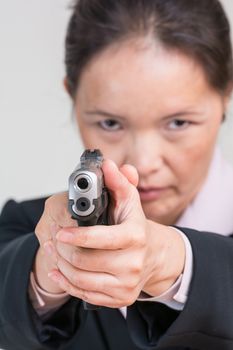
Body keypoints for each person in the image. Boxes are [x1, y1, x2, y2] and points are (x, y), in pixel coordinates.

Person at [1, 0, 233, 349]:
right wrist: (49, 264)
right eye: (110, 123)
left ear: (227, 94)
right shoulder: (24, 227)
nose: (142, 162)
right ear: (72, 97)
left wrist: (171, 262)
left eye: (178, 122)